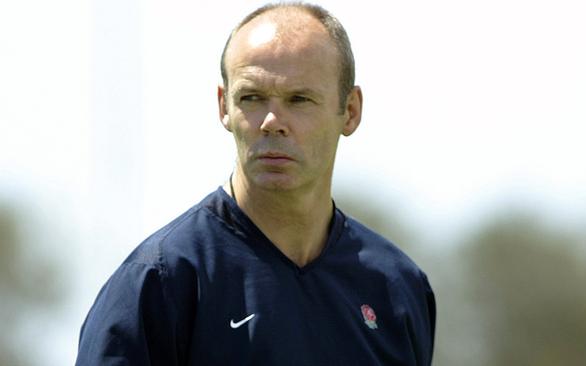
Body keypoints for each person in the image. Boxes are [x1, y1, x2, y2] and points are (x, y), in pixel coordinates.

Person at [76, 2, 436, 365]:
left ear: (351, 111)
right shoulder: (159, 281)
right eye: (252, 98)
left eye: (299, 99)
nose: (271, 121)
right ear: (224, 107)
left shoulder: (397, 286)